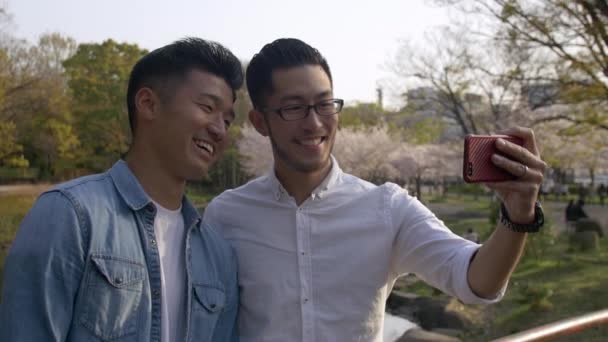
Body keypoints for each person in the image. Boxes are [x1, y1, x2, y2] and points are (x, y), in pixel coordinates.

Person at [203, 38, 547, 341]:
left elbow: (475, 282)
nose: (315, 122)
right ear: (260, 123)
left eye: (324, 103)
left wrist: (517, 216)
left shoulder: (387, 208)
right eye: (294, 108)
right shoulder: (227, 215)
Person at [0, 37, 242, 341]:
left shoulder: (218, 253)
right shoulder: (70, 215)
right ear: (148, 104)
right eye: (207, 107)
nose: (219, 129)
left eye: (228, 120)